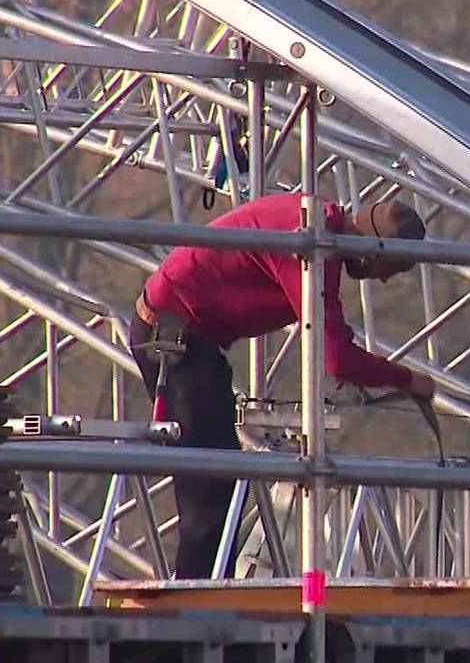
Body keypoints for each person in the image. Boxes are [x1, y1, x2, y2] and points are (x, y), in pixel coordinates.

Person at [129, 192, 435, 579]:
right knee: (210, 490)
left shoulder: (313, 228)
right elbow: (335, 356)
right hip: (175, 341)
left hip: (182, 337)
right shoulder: (310, 247)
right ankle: (191, 603)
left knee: (216, 480)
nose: (385, 278)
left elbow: (329, 335)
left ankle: (199, 592)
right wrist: (407, 379)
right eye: (390, 266)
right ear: (372, 251)